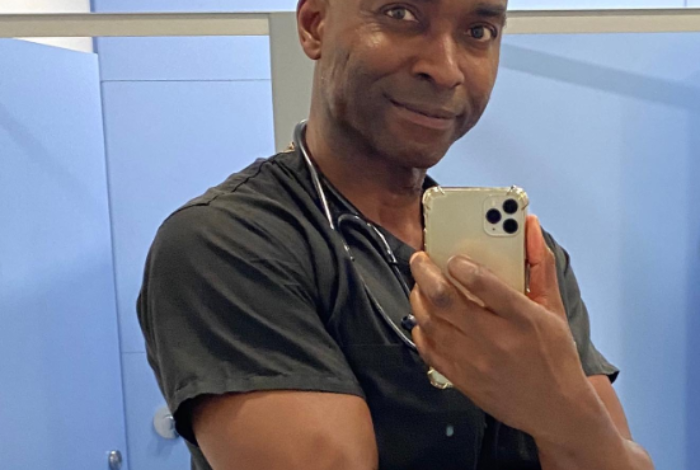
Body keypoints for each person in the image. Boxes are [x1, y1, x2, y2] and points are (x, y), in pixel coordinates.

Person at [137, 0, 656, 469]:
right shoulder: (228, 245)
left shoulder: (530, 260)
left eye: (478, 31)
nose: (446, 69)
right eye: (401, 14)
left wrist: (559, 408)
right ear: (314, 25)